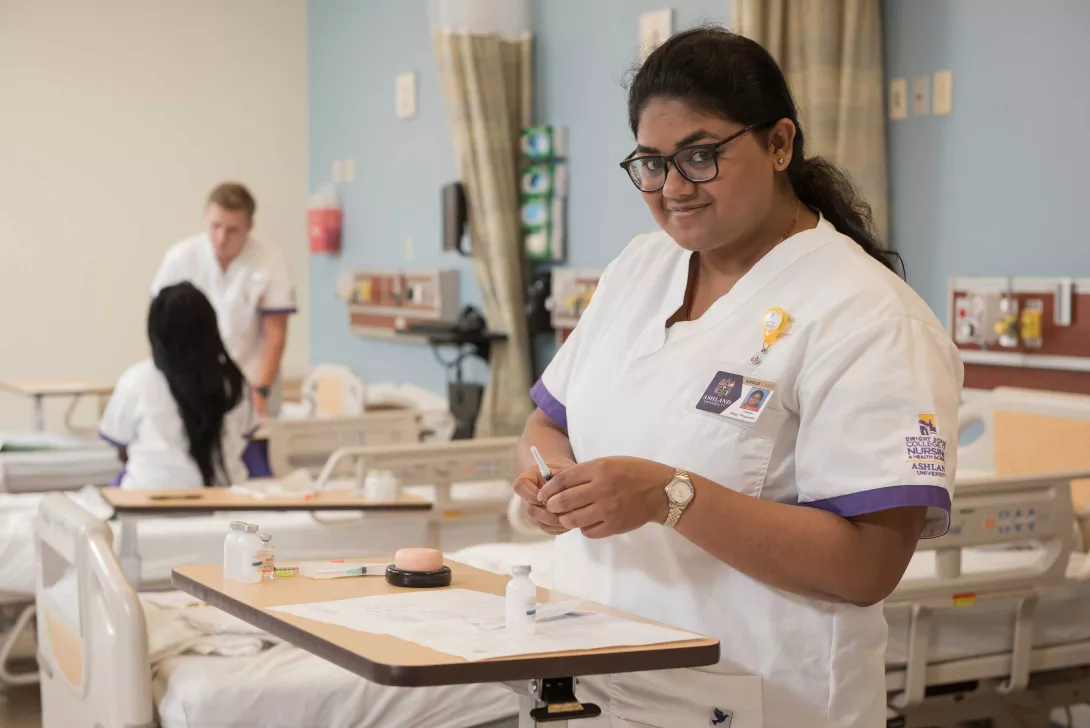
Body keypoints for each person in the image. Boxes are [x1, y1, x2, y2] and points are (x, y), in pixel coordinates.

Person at [513, 27, 962, 728]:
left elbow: (868, 566)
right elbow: (548, 421)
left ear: (780, 144)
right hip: (594, 677)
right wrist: (550, 485)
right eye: (652, 164)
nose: (672, 188)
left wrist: (670, 495)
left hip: (758, 696)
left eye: (701, 156)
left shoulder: (868, 315)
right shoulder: (639, 267)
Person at [151, 182, 295, 418]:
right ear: (204, 217)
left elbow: (275, 334)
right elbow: (159, 329)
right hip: (191, 385)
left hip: (251, 382)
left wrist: (261, 391)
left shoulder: (270, 261)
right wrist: (159, 383)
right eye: (215, 226)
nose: (221, 238)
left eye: (232, 230)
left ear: (249, 227)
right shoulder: (181, 258)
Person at [99, 282, 256, 490]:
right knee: (243, 523)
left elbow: (118, 443)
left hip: (147, 504)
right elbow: (245, 440)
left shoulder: (137, 379)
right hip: (225, 507)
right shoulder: (233, 382)